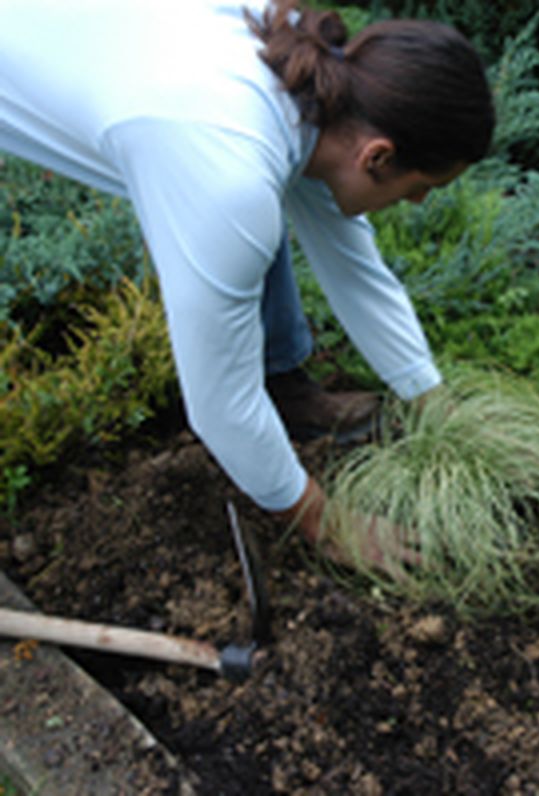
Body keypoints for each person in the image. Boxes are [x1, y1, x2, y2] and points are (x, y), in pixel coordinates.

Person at [0, 0, 495, 550]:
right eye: (425, 185)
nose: (420, 200)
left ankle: (283, 386)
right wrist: (325, 523)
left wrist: (434, 401)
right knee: (244, 227)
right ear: (377, 157)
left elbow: (357, 273)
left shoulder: (311, 82)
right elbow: (219, 404)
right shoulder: (226, 171)